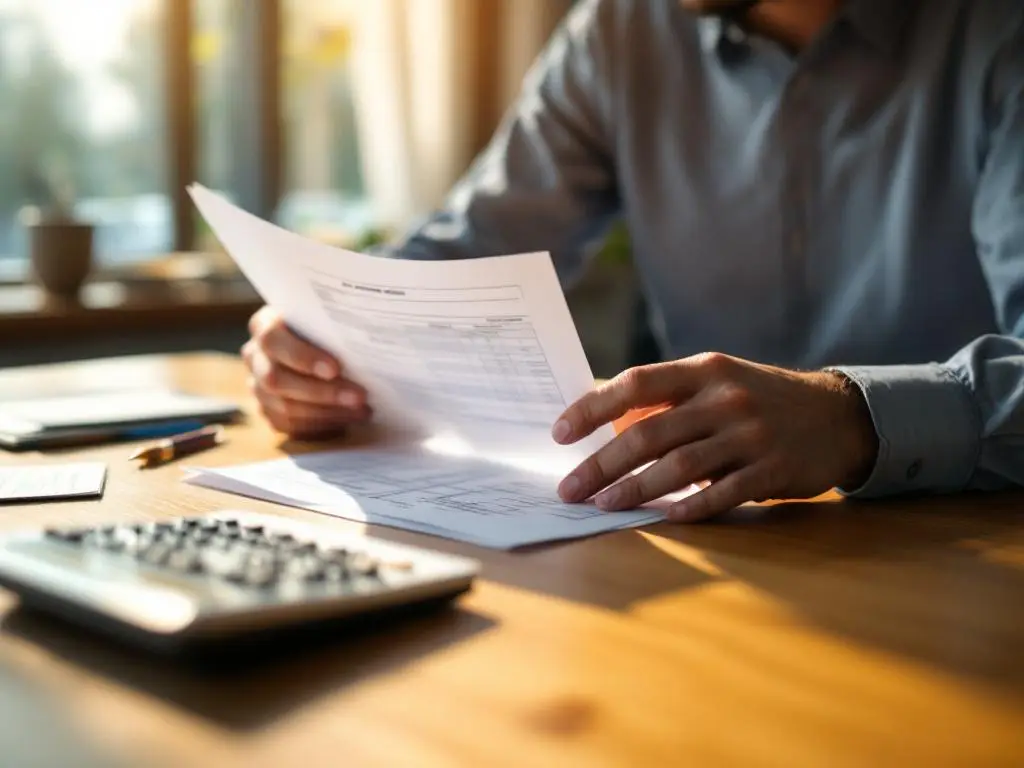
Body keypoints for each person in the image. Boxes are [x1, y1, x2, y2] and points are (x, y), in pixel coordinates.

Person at [242, 0, 1024, 523]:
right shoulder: (620, 32)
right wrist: (325, 335)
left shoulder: (998, 35)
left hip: (963, 551)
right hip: (707, 550)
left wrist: (851, 418)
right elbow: (470, 245)